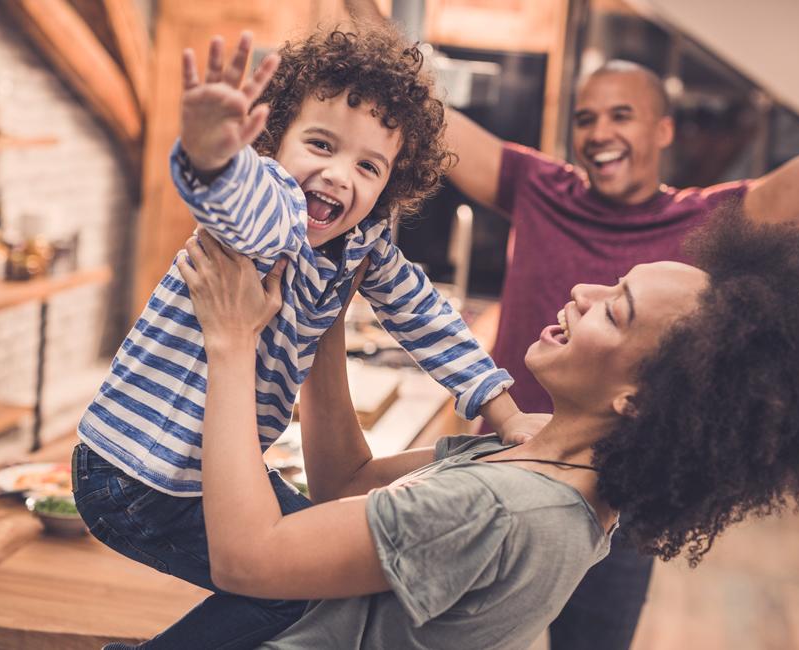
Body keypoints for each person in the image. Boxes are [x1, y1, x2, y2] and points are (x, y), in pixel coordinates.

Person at [342, 3, 799, 645]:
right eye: (585, 118)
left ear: (663, 131)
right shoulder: (535, 185)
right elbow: (428, 109)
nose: (599, 131)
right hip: (509, 452)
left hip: (613, 494)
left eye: (620, 115)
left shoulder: (717, 219)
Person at [177, 207, 799, 649]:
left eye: (614, 312)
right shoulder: (548, 473)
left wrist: (232, 342)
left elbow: (246, 558)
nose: (583, 294)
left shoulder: (496, 509)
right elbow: (342, 482)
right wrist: (325, 327)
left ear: (639, 401)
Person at [74, 26, 544, 650]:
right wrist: (211, 155)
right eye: (320, 144)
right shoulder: (273, 210)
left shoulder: (362, 245)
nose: (337, 175)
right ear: (273, 141)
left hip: (190, 476)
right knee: (298, 585)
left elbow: (428, 320)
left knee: (316, 570)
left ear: (391, 184)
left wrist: (504, 413)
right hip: (136, 474)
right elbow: (237, 198)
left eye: (368, 165)